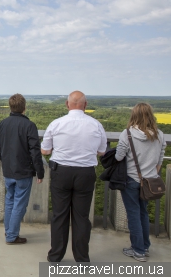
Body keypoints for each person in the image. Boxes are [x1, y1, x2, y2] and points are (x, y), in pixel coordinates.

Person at [41, 91, 107, 262]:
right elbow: (102, 151)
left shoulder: (56, 124)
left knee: (59, 215)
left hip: (61, 172)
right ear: (85, 105)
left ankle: (55, 256)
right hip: (85, 173)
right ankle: (82, 258)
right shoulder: (96, 125)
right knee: (81, 217)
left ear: (67, 104)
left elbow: (45, 151)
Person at [114, 103, 166, 262]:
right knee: (143, 213)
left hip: (131, 180)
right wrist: (153, 172)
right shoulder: (159, 134)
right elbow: (160, 157)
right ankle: (144, 246)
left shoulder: (127, 134)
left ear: (133, 115)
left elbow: (118, 157)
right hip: (149, 181)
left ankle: (138, 251)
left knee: (133, 215)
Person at [0, 93, 44, 245]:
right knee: (19, 204)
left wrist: (6, 160)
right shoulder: (29, 126)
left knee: (10, 201)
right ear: (24, 108)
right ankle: (11, 236)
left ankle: (8, 230)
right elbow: (35, 152)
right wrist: (39, 172)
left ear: (11, 107)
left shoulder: (3, 123)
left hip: (8, 171)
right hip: (24, 172)